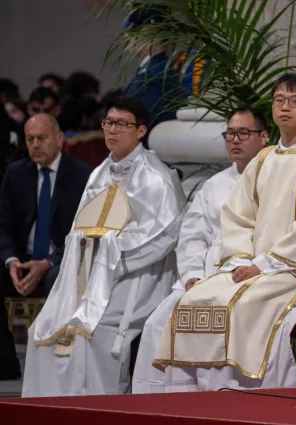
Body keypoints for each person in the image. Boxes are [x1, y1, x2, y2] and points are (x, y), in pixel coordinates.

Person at [154, 73, 296, 391]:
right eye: (279, 100)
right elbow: (237, 217)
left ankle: (242, 396)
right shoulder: (263, 159)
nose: (285, 107)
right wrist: (240, 260)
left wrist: (263, 264)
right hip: (253, 267)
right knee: (195, 298)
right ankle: (191, 399)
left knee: (242, 306)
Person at [22, 95, 186, 397]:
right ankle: (51, 418)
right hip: (89, 272)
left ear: (140, 131)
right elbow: (78, 227)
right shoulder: (99, 173)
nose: (112, 130)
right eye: (108, 122)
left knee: (91, 334)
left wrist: (108, 247)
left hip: (137, 277)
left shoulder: (156, 177)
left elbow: (162, 237)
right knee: (41, 332)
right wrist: (85, 242)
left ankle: (96, 414)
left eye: (122, 124)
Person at [132, 106, 269, 393]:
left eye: (244, 133)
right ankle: (161, 406)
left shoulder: (275, 182)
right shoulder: (214, 185)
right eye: (230, 133)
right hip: (205, 277)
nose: (235, 139)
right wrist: (192, 275)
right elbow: (192, 236)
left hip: (248, 277)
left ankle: (221, 396)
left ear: (264, 137)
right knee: (159, 322)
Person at [0, 114, 91, 380]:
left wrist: (49, 262)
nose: (36, 145)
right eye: (30, 139)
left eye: (42, 138)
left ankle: (57, 365)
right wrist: (11, 260)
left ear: (59, 139)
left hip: (61, 260)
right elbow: (3, 225)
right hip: (23, 259)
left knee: (59, 278)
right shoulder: (16, 173)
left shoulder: (83, 175)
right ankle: (5, 362)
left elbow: (84, 233)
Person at [123, 3, 186, 143]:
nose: (127, 37)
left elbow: (135, 119)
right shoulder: (149, 69)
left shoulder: (158, 73)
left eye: (134, 32)